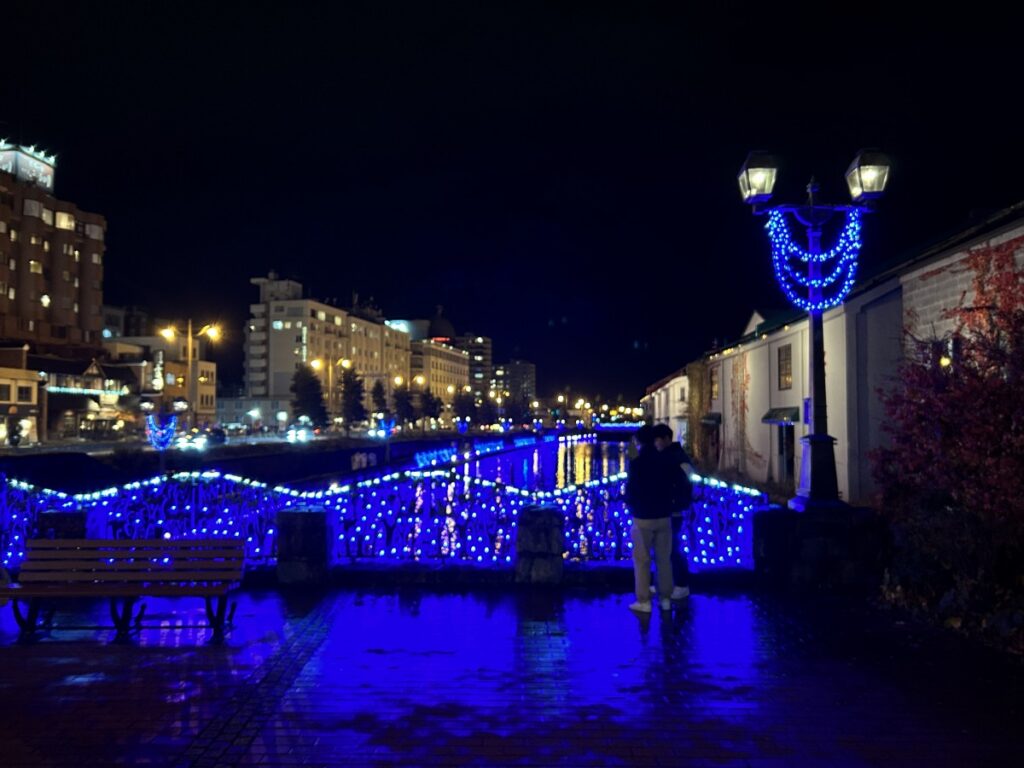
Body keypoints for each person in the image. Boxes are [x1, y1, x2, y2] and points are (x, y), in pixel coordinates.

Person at [625, 425, 677, 613]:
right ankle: (665, 599)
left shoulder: (637, 461)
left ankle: (644, 601)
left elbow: (631, 485)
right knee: (664, 559)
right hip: (664, 515)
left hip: (643, 516)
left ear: (639, 441)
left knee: (642, 560)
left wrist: (631, 505)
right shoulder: (665, 459)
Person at [652, 423, 693, 600]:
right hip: (667, 509)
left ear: (667, 439)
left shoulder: (677, 458)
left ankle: (682, 584)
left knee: (673, 548)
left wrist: (677, 500)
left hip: (674, 510)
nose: (656, 444)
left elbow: (688, 481)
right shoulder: (671, 456)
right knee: (665, 548)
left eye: (658, 440)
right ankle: (666, 583)